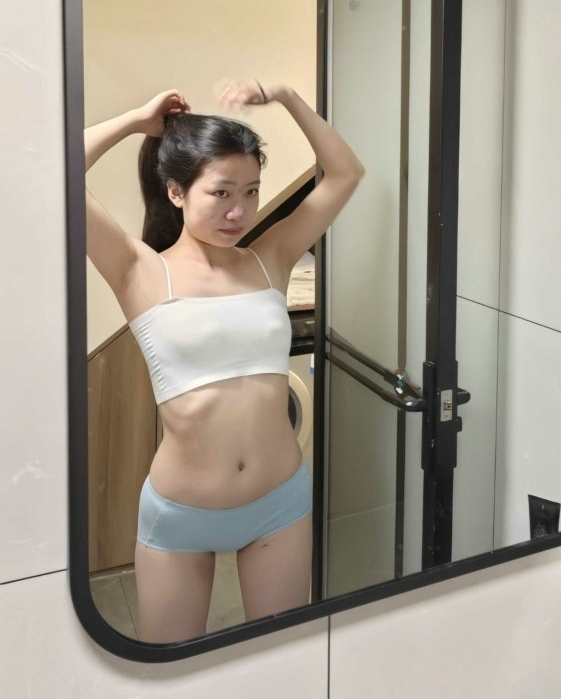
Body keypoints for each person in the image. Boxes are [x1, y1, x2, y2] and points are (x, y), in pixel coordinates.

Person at [84, 78, 364, 643]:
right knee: (176, 672)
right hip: (182, 515)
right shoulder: (140, 271)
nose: (239, 211)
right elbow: (52, 170)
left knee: (278, 656)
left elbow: (345, 173)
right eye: (221, 193)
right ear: (176, 192)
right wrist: (136, 119)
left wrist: (287, 97)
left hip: (280, 503)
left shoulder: (270, 258)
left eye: (251, 191)